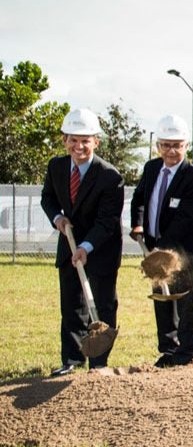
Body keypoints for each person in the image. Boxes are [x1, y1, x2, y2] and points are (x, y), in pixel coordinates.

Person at [40, 108, 124, 376]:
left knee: (101, 306)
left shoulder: (110, 176)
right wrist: (57, 219)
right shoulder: (56, 167)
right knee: (72, 307)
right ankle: (72, 360)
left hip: (100, 248)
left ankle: (99, 362)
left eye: (85, 140)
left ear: (96, 142)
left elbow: (107, 221)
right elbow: (47, 198)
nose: (79, 146)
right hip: (69, 244)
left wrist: (86, 247)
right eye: (74, 140)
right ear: (65, 140)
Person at [130, 114, 193, 367]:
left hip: (188, 251)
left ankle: (185, 353)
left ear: (186, 146)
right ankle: (168, 349)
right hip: (156, 246)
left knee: (188, 302)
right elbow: (140, 199)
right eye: (166, 145)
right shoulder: (151, 168)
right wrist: (138, 223)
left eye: (177, 145)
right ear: (158, 146)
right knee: (162, 300)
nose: (171, 150)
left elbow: (185, 219)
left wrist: (161, 248)